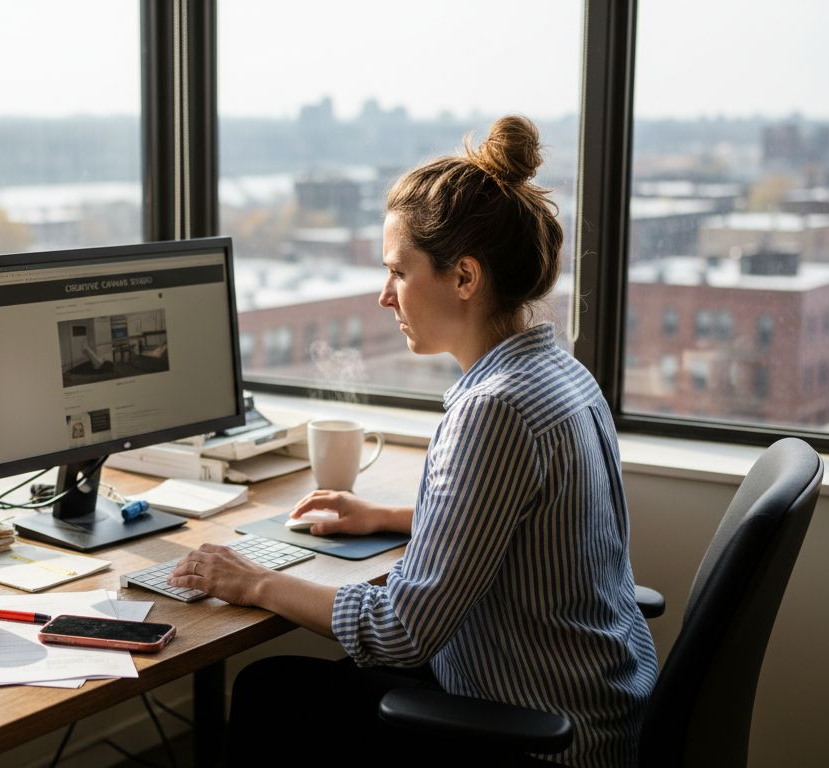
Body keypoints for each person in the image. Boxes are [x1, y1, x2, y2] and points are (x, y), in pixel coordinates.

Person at [167, 115, 657, 767]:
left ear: (464, 278)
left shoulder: (495, 409)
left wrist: (252, 583)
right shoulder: (556, 372)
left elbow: (401, 631)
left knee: (269, 693)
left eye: (398, 272)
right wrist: (388, 515)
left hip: (545, 740)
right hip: (597, 707)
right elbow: (522, 521)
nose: (383, 296)